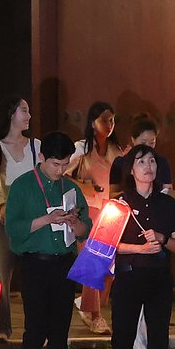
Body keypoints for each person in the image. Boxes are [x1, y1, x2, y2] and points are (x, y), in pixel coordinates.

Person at [5, 132, 93, 349]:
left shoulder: (71, 188)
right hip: (34, 263)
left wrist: (74, 221)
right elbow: (14, 229)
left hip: (63, 262)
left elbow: (85, 231)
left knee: (60, 329)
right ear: (42, 158)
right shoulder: (23, 186)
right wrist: (48, 219)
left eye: (65, 165)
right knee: (35, 328)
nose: (60, 171)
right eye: (56, 164)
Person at [104, 145, 175, 349]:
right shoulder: (119, 204)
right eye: (141, 161)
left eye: (152, 161)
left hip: (160, 279)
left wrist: (162, 239)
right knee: (122, 343)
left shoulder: (168, 205)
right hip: (128, 278)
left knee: (159, 345)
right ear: (131, 169)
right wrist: (140, 248)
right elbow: (107, 244)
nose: (148, 166)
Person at [108, 113, 175, 349]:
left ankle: (148, 341)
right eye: (144, 143)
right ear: (133, 140)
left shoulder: (162, 164)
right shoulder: (121, 165)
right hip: (128, 247)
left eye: (153, 144)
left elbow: (167, 193)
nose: (149, 151)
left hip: (158, 244)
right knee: (122, 334)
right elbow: (114, 196)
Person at [0, 95, 42, 342]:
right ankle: (1, 329)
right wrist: (2, 207)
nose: (28, 116)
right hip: (2, 218)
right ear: (10, 114)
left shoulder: (36, 146)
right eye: (24, 111)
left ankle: (37, 325)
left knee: (35, 272)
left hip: (32, 218)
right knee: (0, 273)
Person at [67, 101, 126, 334]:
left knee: (110, 267)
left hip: (108, 211)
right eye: (104, 120)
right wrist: (83, 185)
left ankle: (88, 304)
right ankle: (94, 314)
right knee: (94, 261)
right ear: (93, 123)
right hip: (87, 210)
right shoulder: (81, 148)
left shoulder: (114, 149)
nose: (109, 125)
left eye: (112, 120)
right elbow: (60, 173)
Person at [109, 113, 175, 197]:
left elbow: (169, 193)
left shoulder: (162, 162)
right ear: (133, 139)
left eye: (152, 142)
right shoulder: (120, 163)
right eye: (143, 142)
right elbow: (112, 195)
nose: (147, 146)